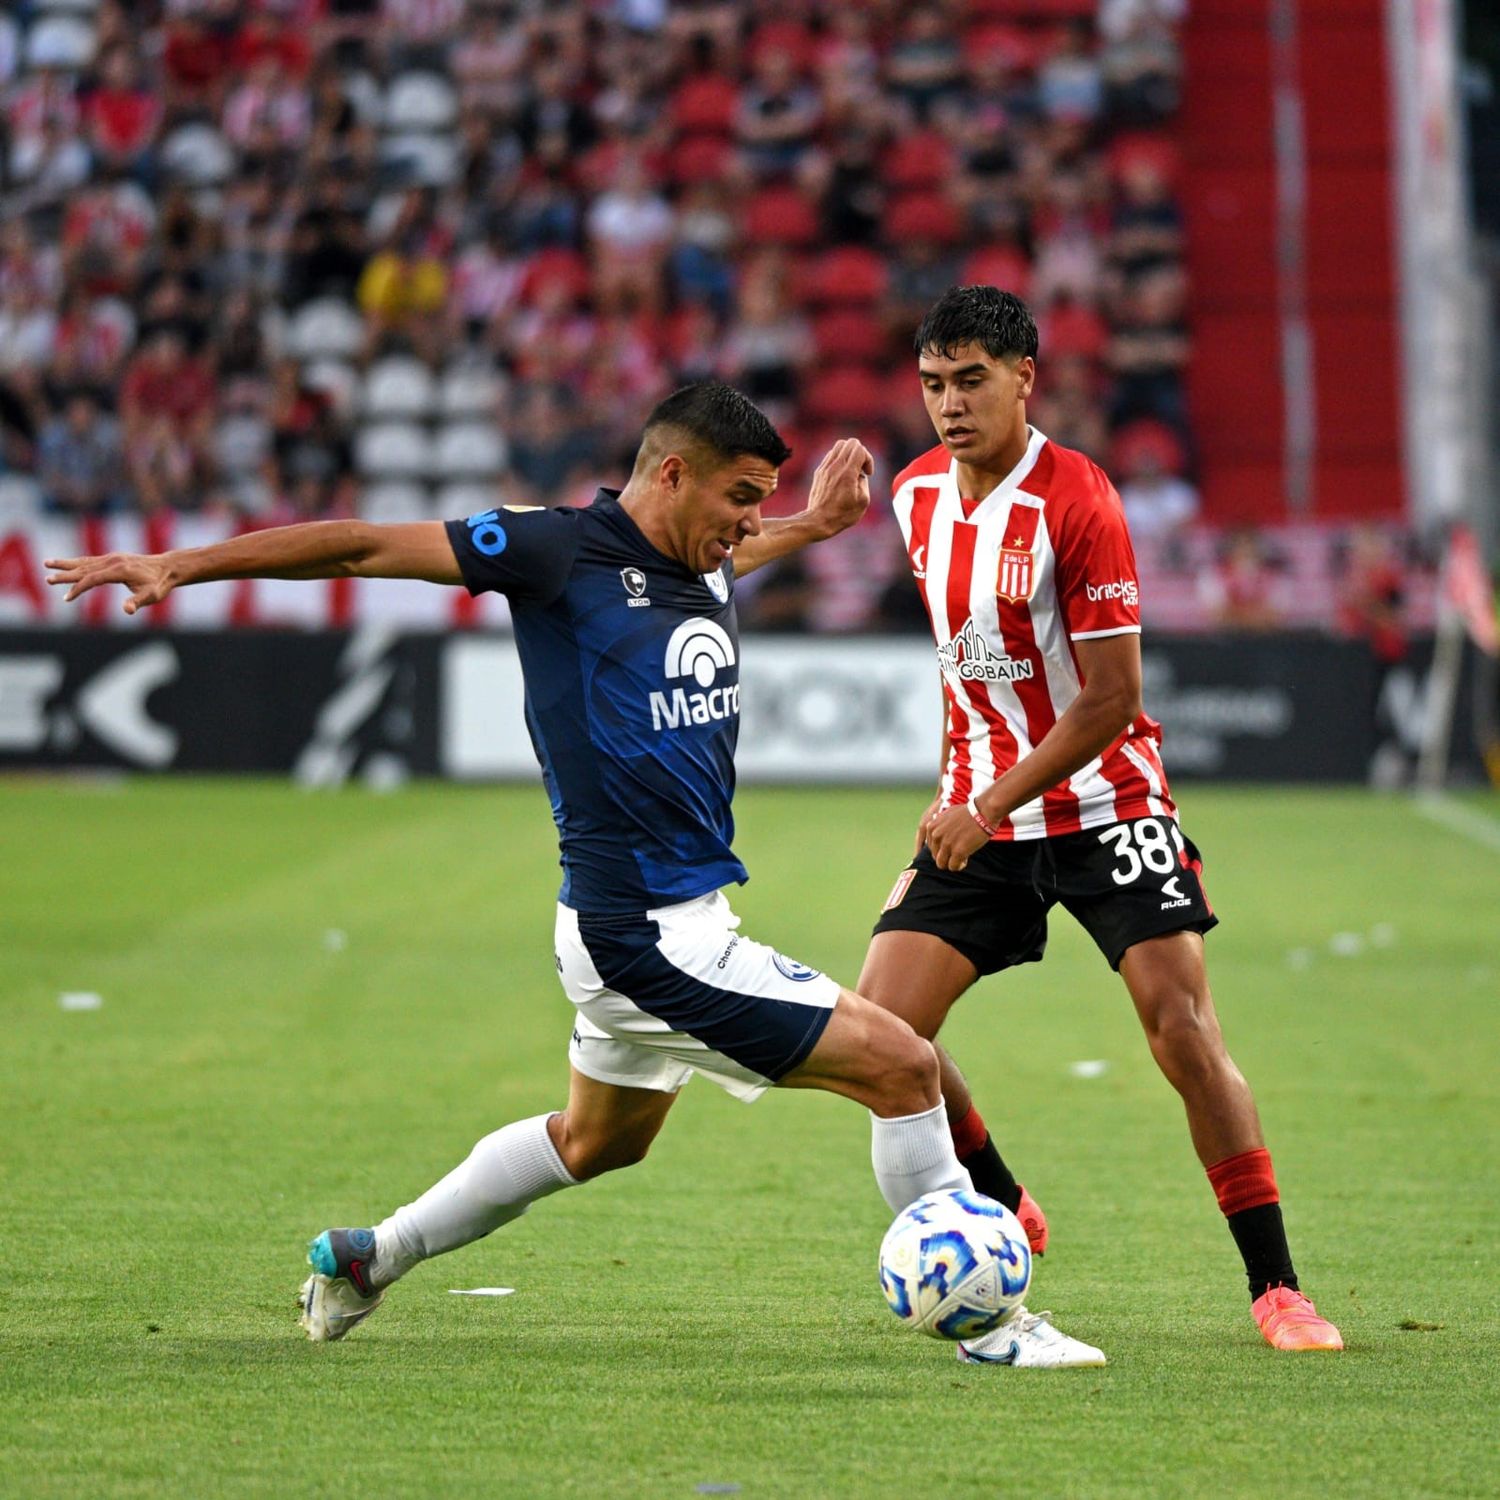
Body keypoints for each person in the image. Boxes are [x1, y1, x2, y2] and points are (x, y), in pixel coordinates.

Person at [46, 380, 1101, 1366]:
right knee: (904, 1067)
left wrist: (813, 528)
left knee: (595, 1142)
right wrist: (181, 565)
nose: (747, 524)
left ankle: (370, 1256)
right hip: (646, 936)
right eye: (739, 498)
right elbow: (366, 544)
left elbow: (734, 555)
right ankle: (989, 1322)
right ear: (672, 474)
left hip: (638, 926)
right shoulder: (554, 553)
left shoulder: (700, 558)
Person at [857, 287, 1343, 1357]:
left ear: (1026, 377)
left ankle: (1278, 1290)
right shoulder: (915, 497)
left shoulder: (1080, 499)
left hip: (1104, 801)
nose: (948, 404)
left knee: (1181, 1030)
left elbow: (1110, 700)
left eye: (971, 380)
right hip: (980, 815)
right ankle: (1004, 1202)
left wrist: (986, 800)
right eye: (934, 383)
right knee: (883, 1039)